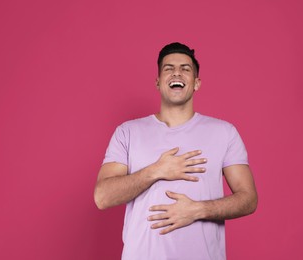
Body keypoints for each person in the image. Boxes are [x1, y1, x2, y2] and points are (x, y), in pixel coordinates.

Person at [94, 42, 258, 260]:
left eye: (185, 69)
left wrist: (198, 210)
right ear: (158, 82)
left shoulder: (224, 132)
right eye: (168, 69)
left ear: (196, 83)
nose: (176, 73)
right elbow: (102, 197)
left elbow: (248, 199)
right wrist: (155, 171)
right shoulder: (128, 132)